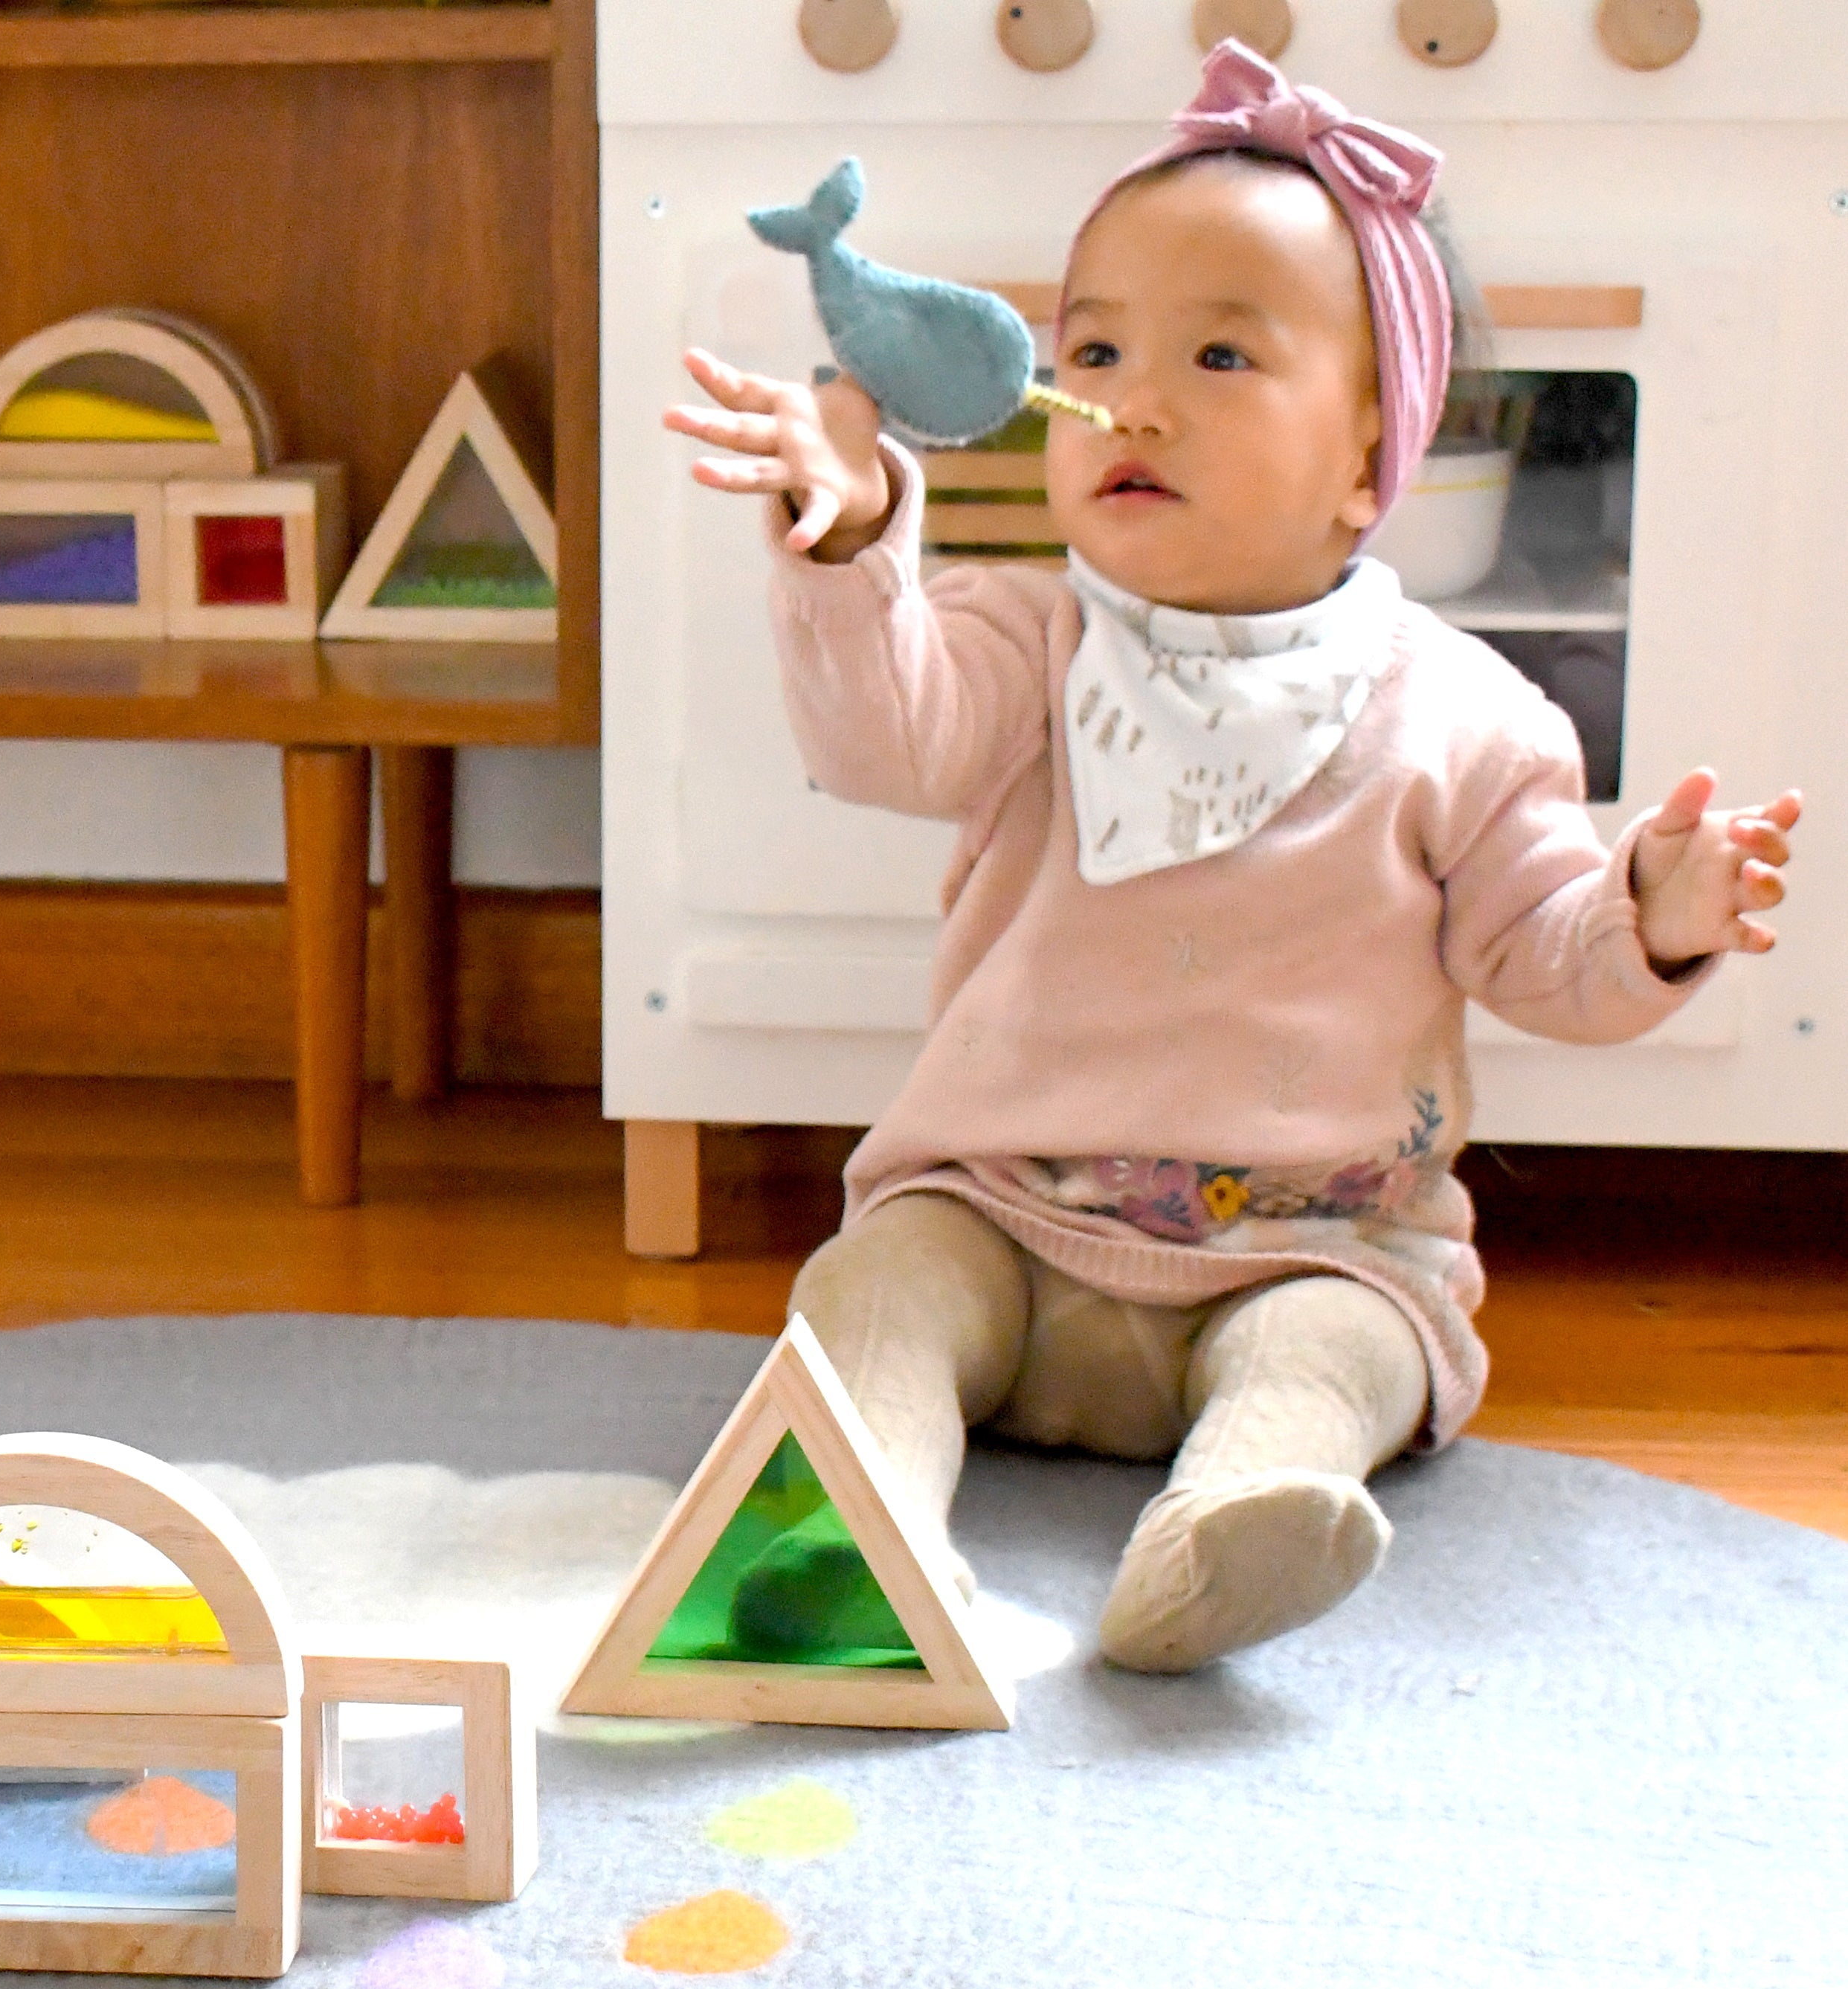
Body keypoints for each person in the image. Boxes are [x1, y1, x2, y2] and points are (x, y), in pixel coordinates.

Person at [662, 42, 1797, 1674]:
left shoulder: (1466, 715)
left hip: (1312, 1237)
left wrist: (1650, 911)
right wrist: (851, 545)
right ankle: (851, 1535)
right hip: (1003, 1210)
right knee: (869, 1287)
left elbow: (1544, 951)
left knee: (1341, 1351)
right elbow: (879, 736)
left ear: (1362, 462)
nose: (1130, 400)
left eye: (1215, 353)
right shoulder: (1021, 636)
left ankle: (1235, 1523)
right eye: (1095, 348)